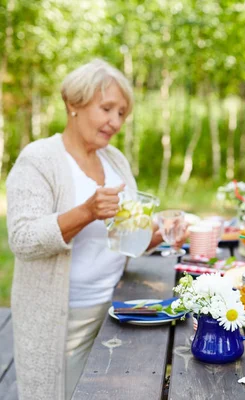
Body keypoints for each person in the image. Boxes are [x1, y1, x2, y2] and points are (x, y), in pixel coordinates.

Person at [6, 59, 176, 400]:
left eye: (122, 114)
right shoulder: (39, 159)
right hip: (62, 319)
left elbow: (126, 237)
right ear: (73, 104)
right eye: (107, 109)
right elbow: (23, 239)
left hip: (116, 308)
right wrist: (85, 212)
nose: (114, 122)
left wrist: (160, 233)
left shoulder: (114, 160)